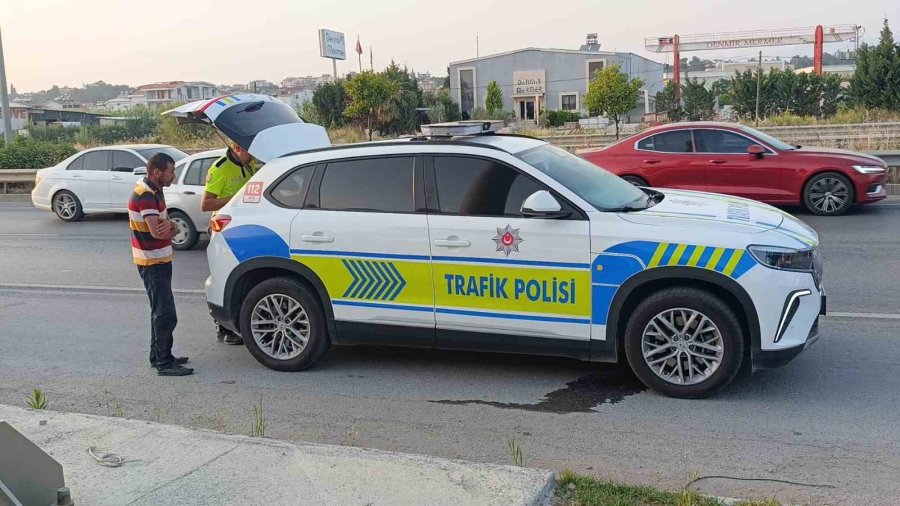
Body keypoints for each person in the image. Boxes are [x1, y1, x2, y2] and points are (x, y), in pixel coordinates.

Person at [130, 153, 193, 376]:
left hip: (160, 258)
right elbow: (157, 232)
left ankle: (158, 355)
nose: (173, 175)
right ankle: (164, 363)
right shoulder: (145, 195)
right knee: (165, 313)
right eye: (171, 171)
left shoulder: (156, 191)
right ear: (157, 172)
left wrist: (171, 228)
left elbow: (169, 226)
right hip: (152, 261)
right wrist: (169, 228)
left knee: (159, 311)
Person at [202, 144, 258, 345]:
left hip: (246, 229)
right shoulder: (220, 168)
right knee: (223, 278)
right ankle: (223, 329)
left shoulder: (249, 164)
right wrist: (236, 198)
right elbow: (206, 204)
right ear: (237, 148)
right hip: (224, 230)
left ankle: (240, 324)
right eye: (250, 153)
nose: (253, 158)